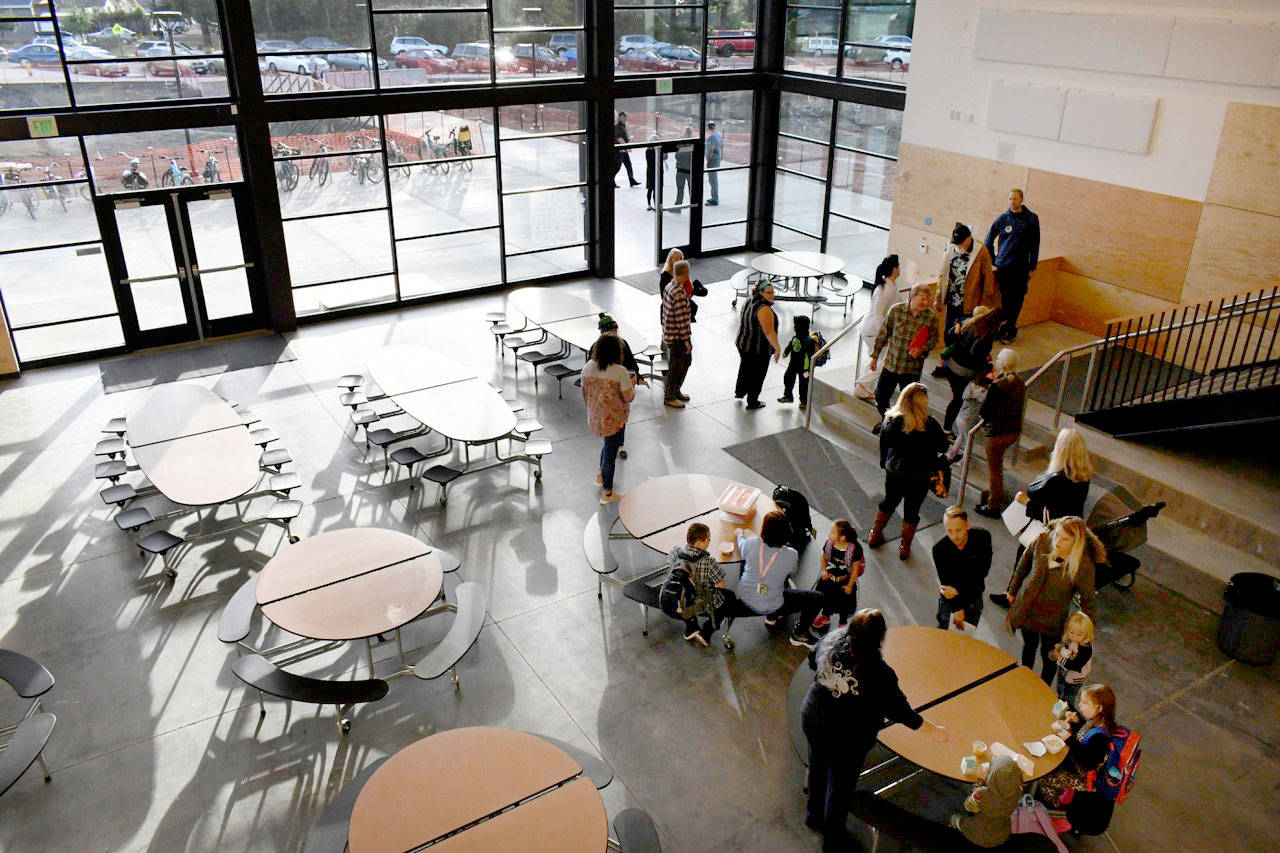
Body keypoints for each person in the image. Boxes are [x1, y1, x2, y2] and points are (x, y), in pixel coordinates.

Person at [802, 609, 948, 851]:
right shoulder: (880, 674)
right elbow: (901, 711)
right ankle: (832, 839)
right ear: (880, 638)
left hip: (813, 717)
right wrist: (934, 730)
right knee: (840, 789)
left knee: (817, 766)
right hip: (847, 740)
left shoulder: (832, 639)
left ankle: (813, 814)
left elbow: (811, 659)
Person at [1005, 516, 1102, 682]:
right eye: (1057, 535)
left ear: (1075, 542)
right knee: (1028, 647)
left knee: (1049, 657)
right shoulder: (1042, 540)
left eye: (1065, 539)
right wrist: (1012, 591)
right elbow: (1023, 566)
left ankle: (1042, 689)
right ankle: (1023, 680)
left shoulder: (1083, 565)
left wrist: (1086, 633)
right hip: (1027, 611)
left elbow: (1088, 601)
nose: (1057, 541)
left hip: (1053, 621)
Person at [869, 383, 947, 559]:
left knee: (889, 502)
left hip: (895, 472)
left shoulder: (890, 419)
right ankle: (904, 547)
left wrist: (884, 463)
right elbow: (943, 446)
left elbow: (883, 444)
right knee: (912, 510)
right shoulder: (930, 424)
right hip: (920, 475)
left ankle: (875, 533)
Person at [728, 511, 824, 647]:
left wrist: (740, 534)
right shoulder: (791, 554)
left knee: (750, 564)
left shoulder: (751, 544)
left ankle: (772, 617)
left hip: (745, 600)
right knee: (817, 598)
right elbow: (792, 572)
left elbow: (741, 544)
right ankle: (798, 634)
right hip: (774, 604)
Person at [1039, 683, 1121, 835]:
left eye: (1084, 703)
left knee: (1047, 778)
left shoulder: (1100, 737)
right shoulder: (1098, 722)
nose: (1079, 705)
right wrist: (1077, 723)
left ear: (1099, 708)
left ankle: (1056, 809)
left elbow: (1087, 762)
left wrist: (1069, 739)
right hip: (1082, 767)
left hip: (1086, 778)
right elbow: (1084, 738)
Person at [933, 222, 998, 378]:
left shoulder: (981, 252)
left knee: (965, 338)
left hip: (970, 304)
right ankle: (948, 365)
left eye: (961, 243)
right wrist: (938, 298)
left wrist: (982, 308)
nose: (959, 246)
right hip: (952, 301)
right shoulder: (951, 248)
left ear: (969, 239)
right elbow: (942, 275)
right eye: (957, 243)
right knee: (950, 335)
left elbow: (988, 280)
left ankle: (960, 367)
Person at [869, 283, 939, 425]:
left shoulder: (930, 317)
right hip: (891, 364)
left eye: (928, 299)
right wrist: (875, 356)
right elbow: (883, 333)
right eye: (923, 298)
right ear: (912, 296)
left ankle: (900, 427)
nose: (926, 302)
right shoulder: (896, 311)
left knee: (909, 403)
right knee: (881, 396)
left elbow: (933, 340)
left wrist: (922, 349)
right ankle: (886, 420)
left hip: (912, 368)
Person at [581, 334, 635, 503]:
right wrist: (632, 384)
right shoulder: (620, 371)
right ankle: (608, 493)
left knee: (607, 446)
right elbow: (629, 397)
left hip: (595, 417)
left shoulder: (588, 367)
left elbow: (584, 392)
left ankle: (600, 476)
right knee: (611, 453)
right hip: (614, 419)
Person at [974, 349, 1026, 518]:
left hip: (997, 434)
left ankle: (993, 504)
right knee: (997, 468)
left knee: (995, 470)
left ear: (1003, 364)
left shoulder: (998, 386)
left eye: (998, 359)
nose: (995, 360)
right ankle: (994, 495)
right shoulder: (1019, 383)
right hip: (1012, 432)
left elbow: (985, 412)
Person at [660, 522, 731, 646]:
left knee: (686, 592)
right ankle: (706, 634)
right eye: (708, 539)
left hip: (666, 602)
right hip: (692, 606)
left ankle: (691, 629)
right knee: (726, 601)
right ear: (700, 543)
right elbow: (720, 585)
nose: (710, 541)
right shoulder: (709, 561)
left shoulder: (675, 552)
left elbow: (669, 564)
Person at [985, 188, 1040, 341]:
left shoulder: (1031, 219)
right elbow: (988, 240)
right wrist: (994, 260)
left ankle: (1010, 328)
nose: (1012, 202)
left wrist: (1032, 266)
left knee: (1017, 299)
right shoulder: (1002, 219)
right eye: (1010, 199)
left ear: (1021, 200)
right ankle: (1000, 327)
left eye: (1015, 199)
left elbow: (1035, 244)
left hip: (1021, 268)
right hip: (1004, 267)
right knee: (1004, 299)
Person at [942, 305, 1002, 435]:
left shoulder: (973, 322)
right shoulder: (986, 336)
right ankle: (948, 430)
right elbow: (976, 358)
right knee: (958, 400)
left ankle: (949, 428)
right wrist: (988, 367)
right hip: (964, 371)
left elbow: (956, 328)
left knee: (956, 399)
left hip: (952, 365)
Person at [591, 313, 644, 460]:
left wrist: (636, 376)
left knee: (620, 420)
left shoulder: (621, 344)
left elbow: (632, 364)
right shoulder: (598, 347)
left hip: (619, 390)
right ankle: (612, 444)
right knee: (614, 420)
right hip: (610, 391)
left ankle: (618, 444)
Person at [932, 506, 992, 631]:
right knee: (944, 634)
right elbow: (947, 586)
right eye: (949, 531)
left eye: (958, 530)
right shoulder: (940, 550)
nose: (954, 536)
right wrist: (957, 609)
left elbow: (982, 571)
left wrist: (957, 589)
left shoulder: (982, 538)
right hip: (951, 603)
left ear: (967, 526)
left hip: (973, 599)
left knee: (966, 638)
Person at [854, 255, 902, 399]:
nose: (900, 269)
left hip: (871, 330)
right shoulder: (887, 289)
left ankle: (864, 386)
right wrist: (884, 335)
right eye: (898, 266)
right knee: (886, 360)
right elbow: (878, 313)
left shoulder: (889, 286)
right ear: (894, 269)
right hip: (873, 331)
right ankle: (862, 385)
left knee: (878, 358)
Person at [950, 753, 1023, 848]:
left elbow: (968, 806)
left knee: (954, 816)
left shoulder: (982, 794)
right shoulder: (1018, 792)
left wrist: (980, 780)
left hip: (978, 833)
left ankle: (956, 822)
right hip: (1001, 834)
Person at [734, 280, 781, 410]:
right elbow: (769, 332)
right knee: (758, 374)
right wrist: (777, 348)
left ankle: (740, 391)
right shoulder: (764, 309)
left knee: (745, 368)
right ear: (760, 292)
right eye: (768, 292)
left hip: (742, 343)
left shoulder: (750, 300)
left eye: (773, 292)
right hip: (757, 348)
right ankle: (753, 401)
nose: (772, 295)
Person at [811, 519, 863, 631]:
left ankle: (842, 623)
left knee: (844, 603)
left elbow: (855, 569)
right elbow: (824, 558)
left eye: (833, 532)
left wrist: (850, 585)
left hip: (844, 582)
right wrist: (824, 571)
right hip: (829, 579)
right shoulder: (829, 545)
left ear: (843, 537)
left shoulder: (854, 549)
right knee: (826, 598)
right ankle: (825, 616)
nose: (829, 533)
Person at [660, 259, 694, 409]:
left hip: (668, 333)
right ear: (687, 273)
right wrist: (687, 340)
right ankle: (670, 396)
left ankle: (675, 391)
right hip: (677, 337)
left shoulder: (669, 286)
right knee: (677, 366)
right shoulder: (679, 293)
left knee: (682, 363)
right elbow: (682, 320)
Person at [1050, 611, 1095, 706]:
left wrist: (1059, 657)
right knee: (1060, 689)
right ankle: (1059, 704)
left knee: (1068, 698)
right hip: (1063, 670)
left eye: (1079, 635)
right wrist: (1059, 648)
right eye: (1072, 633)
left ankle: (1063, 714)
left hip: (1075, 678)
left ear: (1087, 634)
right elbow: (1064, 646)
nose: (1074, 637)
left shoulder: (1086, 649)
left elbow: (1076, 666)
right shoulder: (1069, 639)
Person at [946, 373, 990, 462]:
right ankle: (963, 462)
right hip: (968, 419)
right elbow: (983, 400)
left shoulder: (970, 386)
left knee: (960, 436)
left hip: (960, 416)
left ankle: (951, 455)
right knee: (968, 443)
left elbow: (963, 396)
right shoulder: (983, 392)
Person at [778, 313, 817, 408]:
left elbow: (812, 355)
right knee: (788, 378)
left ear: (799, 327)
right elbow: (791, 345)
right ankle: (788, 396)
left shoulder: (809, 341)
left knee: (804, 384)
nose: (793, 327)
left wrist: (809, 369)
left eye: (795, 325)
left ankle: (804, 401)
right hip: (793, 364)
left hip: (805, 368)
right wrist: (786, 352)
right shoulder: (795, 337)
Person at [658, 248, 704, 323]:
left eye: (680, 258)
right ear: (670, 260)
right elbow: (665, 296)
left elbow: (688, 289)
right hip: (672, 307)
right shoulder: (665, 276)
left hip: (681, 304)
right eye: (676, 258)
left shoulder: (681, 274)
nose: (679, 261)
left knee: (693, 307)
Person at [613, 112, 640, 187]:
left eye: (625, 117)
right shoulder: (617, 126)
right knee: (617, 166)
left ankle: (631, 180)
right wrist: (626, 146)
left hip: (623, 150)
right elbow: (618, 138)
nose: (625, 118)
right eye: (623, 117)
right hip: (619, 150)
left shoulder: (622, 126)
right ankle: (611, 181)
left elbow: (622, 137)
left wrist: (628, 141)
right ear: (619, 117)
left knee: (628, 165)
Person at [674, 127, 694, 206]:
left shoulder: (681, 144)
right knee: (691, 190)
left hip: (681, 170)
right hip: (690, 171)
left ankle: (678, 206)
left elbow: (677, 156)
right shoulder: (693, 144)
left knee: (680, 190)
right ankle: (693, 206)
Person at [705, 121, 723, 205]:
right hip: (717, 158)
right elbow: (722, 146)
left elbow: (710, 149)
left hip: (713, 159)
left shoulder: (711, 137)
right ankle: (714, 197)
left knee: (712, 179)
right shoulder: (719, 135)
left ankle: (715, 198)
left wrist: (708, 159)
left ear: (708, 128)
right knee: (714, 178)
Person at [643, 132, 660, 210]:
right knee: (655, 189)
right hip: (655, 171)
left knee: (650, 189)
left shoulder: (647, 150)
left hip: (650, 171)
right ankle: (655, 205)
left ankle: (649, 205)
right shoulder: (656, 151)